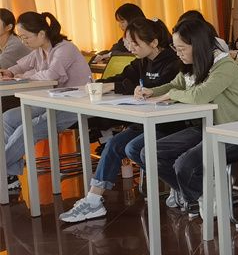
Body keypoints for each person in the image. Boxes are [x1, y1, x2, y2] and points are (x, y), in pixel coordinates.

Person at [59, 18, 182, 222]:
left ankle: (179, 186)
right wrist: (99, 85)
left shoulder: (173, 62)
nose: (130, 48)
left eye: (135, 43)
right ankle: (93, 201)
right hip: (144, 121)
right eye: (128, 43)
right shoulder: (142, 61)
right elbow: (123, 78)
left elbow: (159, 87)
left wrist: (117, 87)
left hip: (168, 124)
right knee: (114, 144)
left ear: (153, 42)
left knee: (133, 147)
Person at [136, 18, 238, 213]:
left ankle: (202, 195)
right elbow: (175, 85)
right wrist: (151, 92)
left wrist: (171, 95)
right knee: (150, 152)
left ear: (198, 45)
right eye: (175, 48)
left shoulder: (224, 65)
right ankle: (202, 194)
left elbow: (200, 95)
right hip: (206, 126)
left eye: (182, 48)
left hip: (233, 129)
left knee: (185, 165)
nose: (178, 53)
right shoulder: (192, 64)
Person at [1, 12, 92, 191]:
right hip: (50, 101)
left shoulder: (65, 49)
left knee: (26, 129)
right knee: (7, 118)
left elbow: (51, 75)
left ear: (41, 34)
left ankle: (3, 169)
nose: (23, 41)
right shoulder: (39, 51)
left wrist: (24, 76)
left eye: (26, 37)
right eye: (21, 37)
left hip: (76, 104)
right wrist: (10, 72)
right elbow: (21, 66)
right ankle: (9, 174)